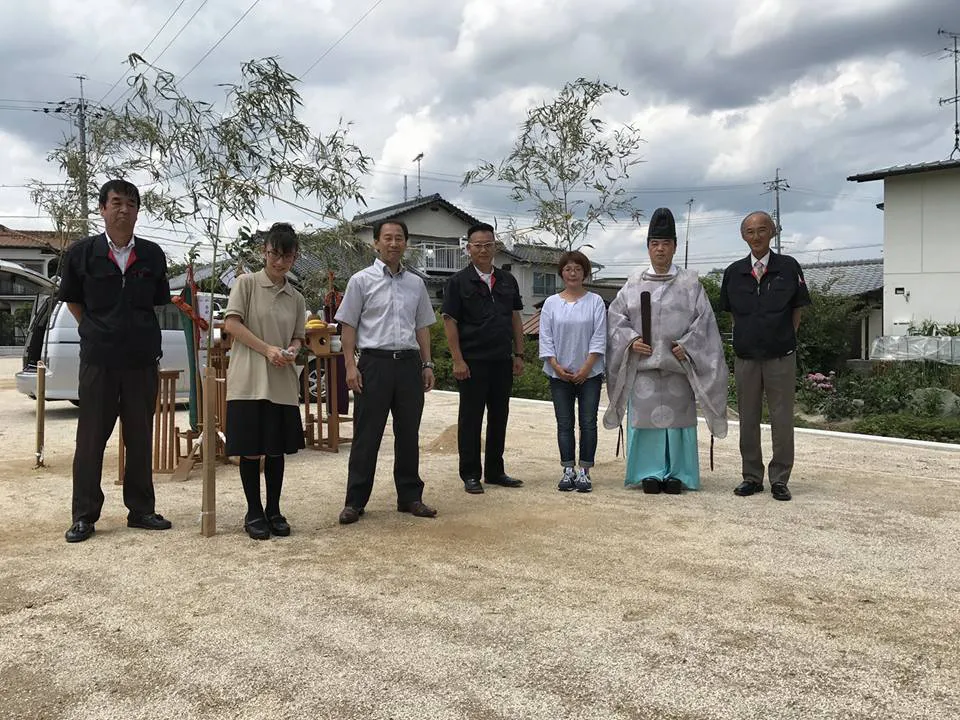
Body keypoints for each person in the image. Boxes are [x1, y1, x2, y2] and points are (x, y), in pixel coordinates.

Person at [59, 179, 173, 543]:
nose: (124, 210)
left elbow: (156, 302)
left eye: (132, 204)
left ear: (138, 211)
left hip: (141, 360)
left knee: (140, 437)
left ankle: (141, 510)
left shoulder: (153, 255)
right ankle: (84, 515)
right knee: (91, 440)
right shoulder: (81, 254)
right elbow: (73, 300)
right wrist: (97, 330)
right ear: (102, 208)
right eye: (117, 203)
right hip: (99, 362)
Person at [604, 207, 728, 494]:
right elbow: (616, 317)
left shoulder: (690, 282)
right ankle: (648, 472)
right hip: (644, 367)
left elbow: (704, 323)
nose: (660, 250)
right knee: (645, 421)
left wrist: (689, 347)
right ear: (648, 247)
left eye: (666, 244)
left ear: (674, 246)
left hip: (678, 365)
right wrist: (631, 341)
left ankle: (678, 473)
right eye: (655, 244)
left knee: (679, 422)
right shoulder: (634, 282)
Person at [334, 218, 438, 524]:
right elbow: (348, 326)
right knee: (367, 435)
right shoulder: (361, 281)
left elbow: (422, 327)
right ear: (376, 243)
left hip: (408, 364)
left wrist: (427, 363)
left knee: (408, 434)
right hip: (374, 364)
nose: (393, 243)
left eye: (399, 238)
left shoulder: (416, 283)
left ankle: (410, 497)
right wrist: (350, 366)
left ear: (406, 243)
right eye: (387, 238)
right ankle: (355, 501)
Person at [223, 222, 307, 539]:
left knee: (275, 449)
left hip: (281, 380)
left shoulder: (296, 297)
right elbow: (231, 325)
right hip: (248, 379)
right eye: (274, 254)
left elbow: (299, 337)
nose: (279, 262)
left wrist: (291, 350)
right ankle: (253, 511)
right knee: (251, 448)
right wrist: (267, 349)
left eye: (287, 256)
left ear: (295, 258)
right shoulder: (246, 284)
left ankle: (274, 509)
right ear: (265, 251)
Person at [720, 210, 811, 501]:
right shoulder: (734, 272)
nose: (756, 236)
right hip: (746, 356)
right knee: (747, 418)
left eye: (762, 230)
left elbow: (797, 309)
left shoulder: (788, 267)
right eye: (750, 231)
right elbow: (733, 313)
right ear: (743, 235)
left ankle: (780, 478)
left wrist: (786, 339)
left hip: (780, 355)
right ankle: (751, 476)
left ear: (772, 232)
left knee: (782, 418)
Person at [442, 223, 525, 494]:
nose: (483, 250)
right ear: (468, 249)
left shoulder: (507, 280)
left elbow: (515, 318)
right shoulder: (457, 282)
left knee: (499, 415)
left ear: (495, 247)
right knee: (471, 418)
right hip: (472, 360)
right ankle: (470, 474)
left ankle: (495, 471)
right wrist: (457, 360)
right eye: (477, 245)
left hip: (501, 358)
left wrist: (519, 354)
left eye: (488, 245)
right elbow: (450, 322)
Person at [538, 250, 606, 493]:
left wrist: (586, 368)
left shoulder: (595, 301)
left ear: (585, 272)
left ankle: (585, 471)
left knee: (588, 422)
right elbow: (545, 338)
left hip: (590, 374)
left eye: (578, 268)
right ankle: (568, 469)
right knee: (564, 423)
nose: (573, 273)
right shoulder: (551, 303)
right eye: (568, 269)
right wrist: (556, 366)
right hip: (560, 375)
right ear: (561, 273)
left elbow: (599, 337)